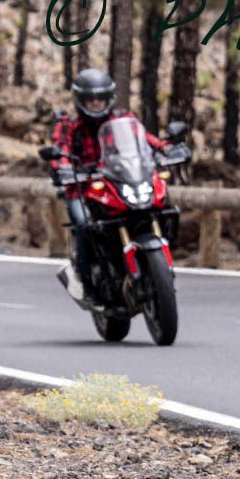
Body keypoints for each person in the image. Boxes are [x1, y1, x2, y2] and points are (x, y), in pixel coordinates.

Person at [49, 68, 168, 303]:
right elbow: (60, 149)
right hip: (83, 189)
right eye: (91, 100)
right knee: (84, 224)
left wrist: (167, 149)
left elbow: (147, 141)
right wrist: (62, 167)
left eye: (100, 99)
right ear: (81, 101)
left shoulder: (123, 121)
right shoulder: (70, 127)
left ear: (109, 98)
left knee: (159, 206)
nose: (96, 104)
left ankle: (155, 264)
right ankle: (85, 280)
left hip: (118, 184)